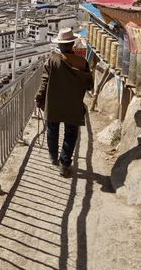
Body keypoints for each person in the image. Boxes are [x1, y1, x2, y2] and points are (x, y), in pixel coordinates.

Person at [35, 27, 93, 177]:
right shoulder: (83, 63)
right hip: (73, 105)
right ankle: (65, 164)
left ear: (60, 45)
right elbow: (89, 85)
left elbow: (44, 82)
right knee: (71, 133)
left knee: (52, 129)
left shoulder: (52, 60)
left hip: (54, 103)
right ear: (72, 44)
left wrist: (38, 98)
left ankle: (53, 157)